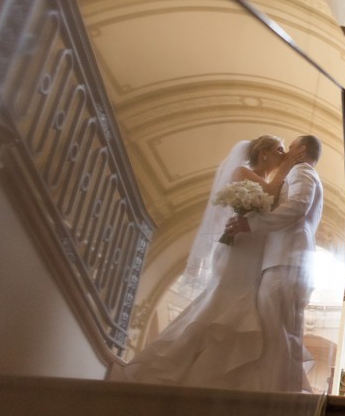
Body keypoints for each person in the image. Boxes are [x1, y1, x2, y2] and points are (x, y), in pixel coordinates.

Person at [117, 135, 303, 390]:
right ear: (264, 154)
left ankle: (214, 375)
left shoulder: (269, 179)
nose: (283, 155)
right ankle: (166, 364)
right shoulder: (242, 171)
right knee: (223, 303)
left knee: (238, 307)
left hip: (254, 252)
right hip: (238, 251)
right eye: (279, 150)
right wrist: (287, 166)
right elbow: (269, 194)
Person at [229, 134, 323, 393]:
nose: (285, 156)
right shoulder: (296, 173)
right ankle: (280, 392)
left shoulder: (302, 171)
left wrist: (252, 224)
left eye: (289, 149)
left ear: (301, 151)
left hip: (287, 262)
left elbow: (297, 207)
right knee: (279, 334)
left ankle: (275, 398)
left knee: (277, 335)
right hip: (284, 261)